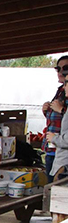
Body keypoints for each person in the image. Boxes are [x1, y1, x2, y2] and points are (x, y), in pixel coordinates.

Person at [42, 55, 68, 183]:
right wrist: (46, 111)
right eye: (58, 68)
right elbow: (58, 119)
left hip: (63, 152)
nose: (61, 71)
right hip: (53, 149)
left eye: (66, 68)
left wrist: (62, 110)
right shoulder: (60, 91)